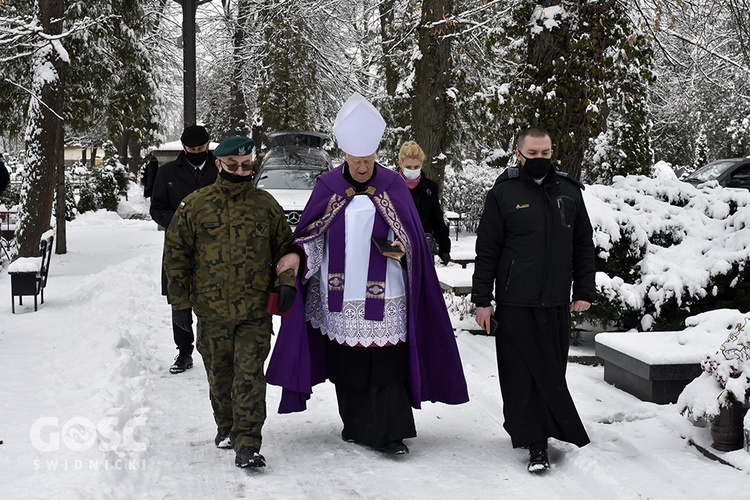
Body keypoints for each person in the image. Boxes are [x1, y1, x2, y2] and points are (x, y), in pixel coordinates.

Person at [267, 92, 469, 456]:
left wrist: (405, 249)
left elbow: (410, 236)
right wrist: (297, 257)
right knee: (351, 365)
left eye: (368, 159)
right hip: (339, 294)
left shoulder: (393, 186)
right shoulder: (328, 187)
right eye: (355, 160)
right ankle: (357, 426)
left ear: (377, 154)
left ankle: (391, 434)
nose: (362, 167)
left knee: (387, 364)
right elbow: (312, 235)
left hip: (386, 291)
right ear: (344, 155)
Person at [163, 135, 296, 469]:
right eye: (234, 165)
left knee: (249, 375)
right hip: (211, 310)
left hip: (254, 311)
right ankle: (226, 426)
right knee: (220, 376)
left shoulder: (266, 204)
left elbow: (287, 248)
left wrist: (286, 282)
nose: (241, 171)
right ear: (219, 164)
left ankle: (248, 442)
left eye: (247, 165)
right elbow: (176, 255)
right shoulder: (195, 205)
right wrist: (179, 303)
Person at [471, 127, 595, 473]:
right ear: (518, 155)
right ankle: (534, 444)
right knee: (521, 377)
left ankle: (548, 430)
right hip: (515, 303)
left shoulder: (569, 192)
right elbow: (487, 251)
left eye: (545, 154)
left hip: (556, 301)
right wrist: (483, 300)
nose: (539, 160)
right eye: (532, 154)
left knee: (552, 373)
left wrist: (584, 290)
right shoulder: (504, 193)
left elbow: (583, 244)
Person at [150, 125, 219, 374]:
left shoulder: (221, 168)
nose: (197, 152)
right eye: (192, 149)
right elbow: (157, 208)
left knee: (215, 300)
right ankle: (184, 351)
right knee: (179, 302)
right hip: (178, 249)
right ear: (184, 148)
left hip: (216, 248)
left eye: (201, 148)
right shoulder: (167, 172)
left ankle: (215, 350)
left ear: (208, 145)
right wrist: (181, 225)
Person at [397, 141, 451, 265]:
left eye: (416, 167)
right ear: (401, 164)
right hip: (398, 248)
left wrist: (444, 247)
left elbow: (436, 219)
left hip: (423, 248)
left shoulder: (430, 188)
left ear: (421, 164)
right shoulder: (392, 187)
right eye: (408, 167)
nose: (412, 170)